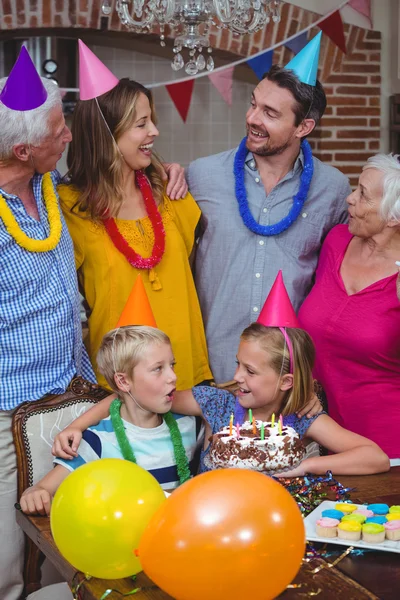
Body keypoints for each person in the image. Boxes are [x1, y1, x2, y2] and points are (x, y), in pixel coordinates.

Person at [50, 274, 389, 478]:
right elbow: (133, 394)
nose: (237, 376)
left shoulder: (300, 417)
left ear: (286, 382)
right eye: (238, 364)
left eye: (251, 371)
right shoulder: (217, 402)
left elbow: (375, 458)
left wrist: (307, 467)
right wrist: (77, 425)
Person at [186, 33, 352, 382]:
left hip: (288, 377)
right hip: (214, 370)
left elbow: (339, 281)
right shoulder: (202, 175)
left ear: (303, 127)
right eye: (253, 104)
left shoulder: (333, 189)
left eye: (270, 113)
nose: (252, 118)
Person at [57, 42, 212, 390]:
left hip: (184, 374)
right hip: (119, 383)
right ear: (107, 137)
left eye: (151, 121)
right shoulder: (70, 206)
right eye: (141, 124)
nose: (154, 132)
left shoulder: (170, 192)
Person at [0, 47, 96, 600]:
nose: (68, 137)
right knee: (9, 560)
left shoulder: (46, 184)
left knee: (71, 546)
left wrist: (165, 169)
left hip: (71, 400)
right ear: (22, 148)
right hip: (8, 412)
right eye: (59, 130)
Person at [20, 326, 202, 516]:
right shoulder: (97, 441)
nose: (173, 377)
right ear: (123, 382)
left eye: (172, 365)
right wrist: (34, 493)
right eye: (158, 369)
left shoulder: (188, 424)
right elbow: (42, 489)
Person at [298, 154, 400, 463]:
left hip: (388, 450)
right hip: (324, 438)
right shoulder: (336, 241)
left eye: (363, 194)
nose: (350, 199)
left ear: (393, 217)